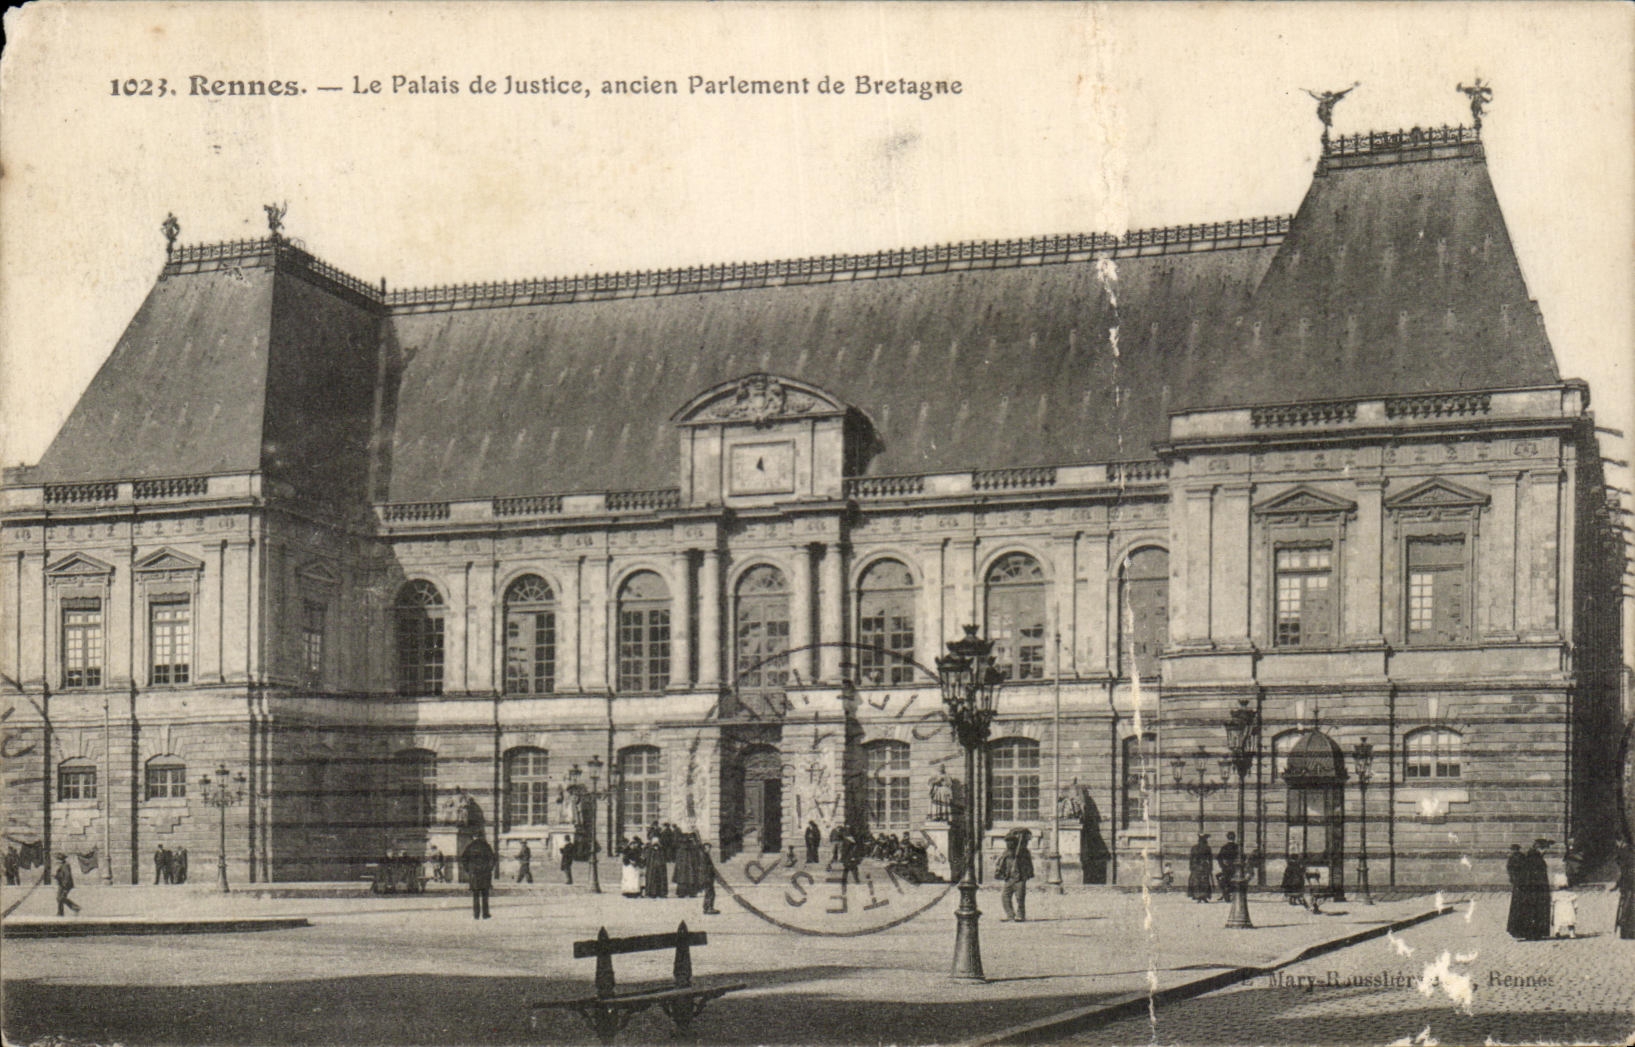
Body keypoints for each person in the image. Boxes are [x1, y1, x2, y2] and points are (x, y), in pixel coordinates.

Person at [998, 829, 1034, 922]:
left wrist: (1028, 874)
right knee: (1005, 897)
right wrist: (1001, 873)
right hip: (1009, 878)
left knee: (1020, 898)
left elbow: (1028, 864)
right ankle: (1010, 915)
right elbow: (1002, 863)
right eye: (1007, 842)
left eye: (1010, 842)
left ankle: (1020, 915)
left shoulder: (1023, 852)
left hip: (1020, 878)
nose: (1008, 844)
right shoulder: (1006, 852)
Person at [460, 835, 496, 919]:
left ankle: (476, 914)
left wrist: (468, 870)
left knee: (475, 895)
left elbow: (464, 859)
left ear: (473, 837)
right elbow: (493, 859)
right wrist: (489, 869)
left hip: (474, 874)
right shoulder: (486, 846)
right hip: (485, 873)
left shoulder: (470, 846)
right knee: (485, 895)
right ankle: (485, 914)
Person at [1613, 838, 1635, 940]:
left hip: (1629, 884)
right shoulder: (1628, 850)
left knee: (1627, 906)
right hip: (1629, 883)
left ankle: (1627, 931)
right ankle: (1627, 931)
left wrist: (1619, 884)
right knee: (1628, 906)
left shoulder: (1625, 852)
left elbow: (1623, 871)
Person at [1188, 835, 1214, 903]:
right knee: (1204, 882)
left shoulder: (1194, 848)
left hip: (1196, 867)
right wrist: (1210, 867)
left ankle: (1198, 896)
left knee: (1197, 882)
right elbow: (1210, 859)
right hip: (1204, 866)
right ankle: (1204, 896)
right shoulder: (1207, 848)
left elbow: (1191, 858)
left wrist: (1191, 867)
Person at [698, 837, 720, 915]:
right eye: (708, 848)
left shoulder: (704, 855)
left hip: (706, 878)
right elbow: (706, 868)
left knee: (708, 893)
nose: (709, 849)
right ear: (705, 848)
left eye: (710, 848)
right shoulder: (704, 856)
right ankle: (709, 908)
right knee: (711, 893)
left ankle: (706, 908)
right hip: (706, 878)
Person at [643, 832, 668, 898]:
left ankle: (661, 893)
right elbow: (646, 856)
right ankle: (652, 893)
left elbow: (665, 856)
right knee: (652, 879)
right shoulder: (648, 848)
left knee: (661, 879)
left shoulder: (662, 848)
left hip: (660, 866)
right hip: (652, 866)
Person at [1216, 832, 1240, 902]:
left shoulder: (1224, 847)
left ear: (1227, 838)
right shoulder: (1237, 847)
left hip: (1226, 867)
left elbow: (1219, 857)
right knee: (1232, 880)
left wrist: (1222, 865)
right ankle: (1229, 893)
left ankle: (1225, 893)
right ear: (1234, 838)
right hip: (1235, 867)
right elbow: (1243, 857)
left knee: (1224, 880)